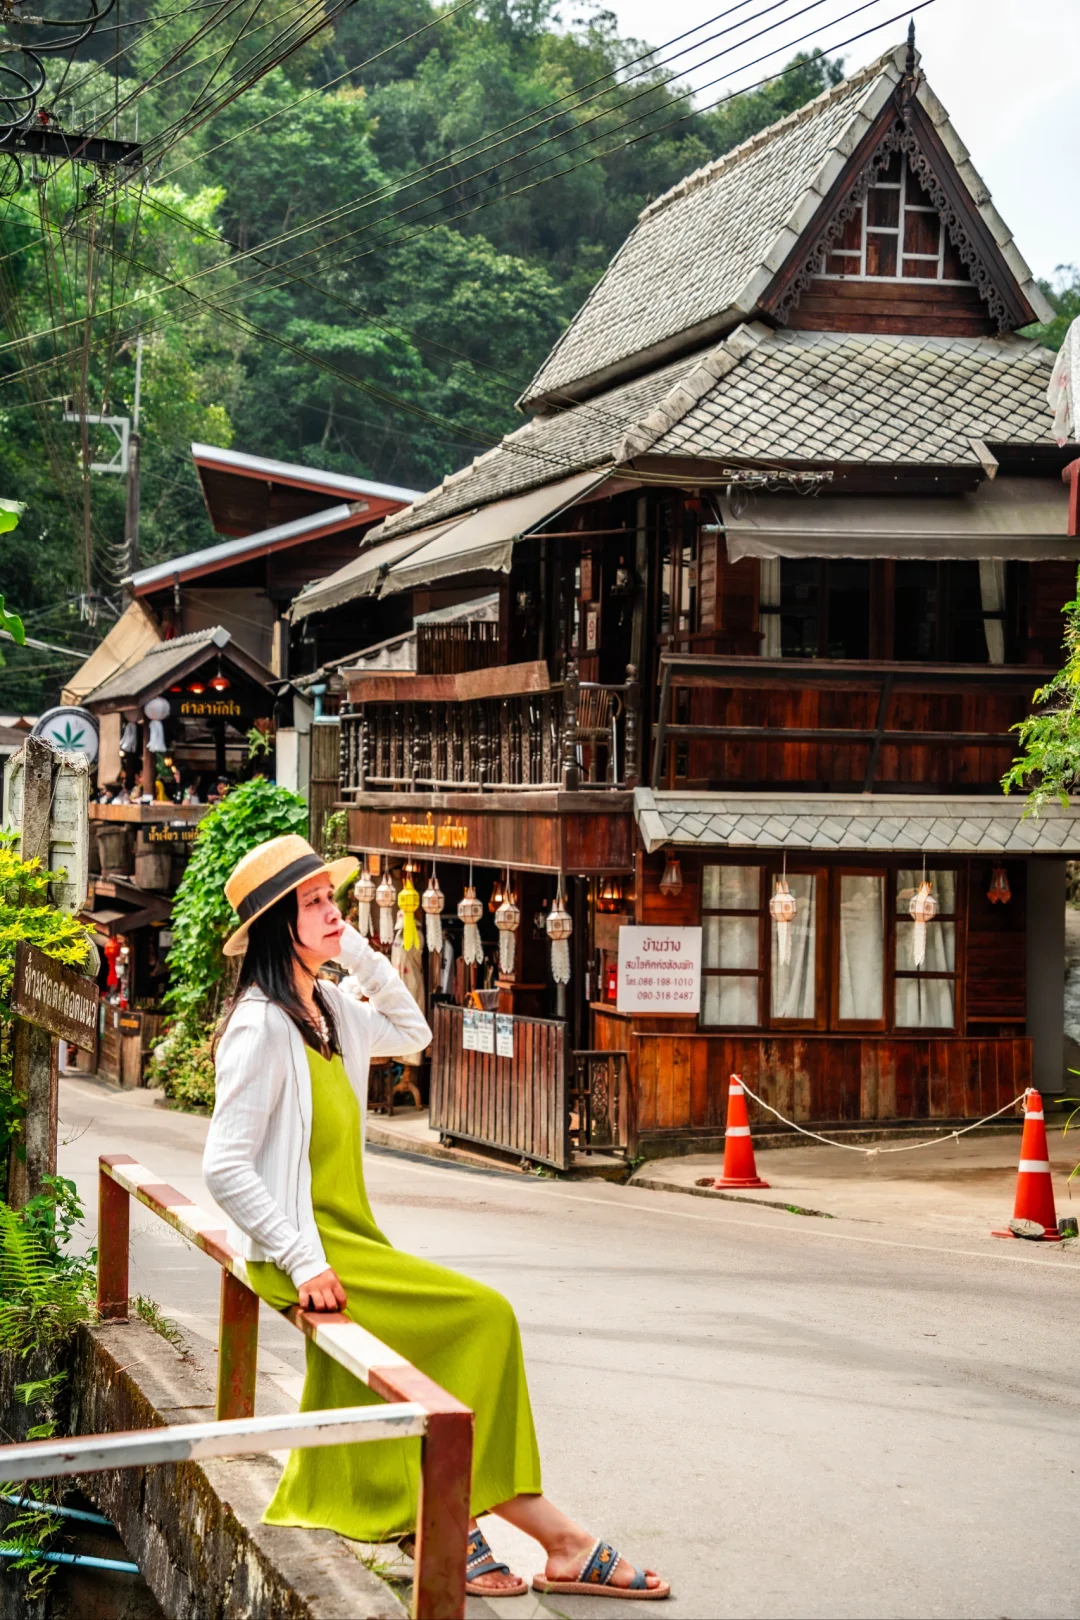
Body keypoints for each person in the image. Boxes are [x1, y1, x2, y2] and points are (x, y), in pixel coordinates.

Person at [203, 835, 669, 1601]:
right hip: (311, 1255)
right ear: (276, 923)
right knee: (484, 1318)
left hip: (349, 1244)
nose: (333, 911)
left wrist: (352, 947)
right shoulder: (261, 1027)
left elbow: (414, 1032)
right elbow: (225, 1165)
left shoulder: (326, 1012)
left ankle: (464, 1524)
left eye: (332, 898)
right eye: (315, 902)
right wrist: (301, 1260)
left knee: (460, 1341)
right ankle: (550, 1537)